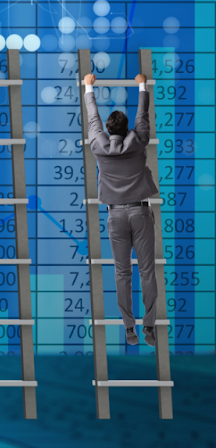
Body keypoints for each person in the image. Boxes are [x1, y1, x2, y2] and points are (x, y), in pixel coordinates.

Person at [84, 71, 160, 346]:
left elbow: (92, 116)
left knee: (122, 272)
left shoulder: (98, 144)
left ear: (107, 128)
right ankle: (149, 327)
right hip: (140, 213)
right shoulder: (138, 139)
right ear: (128, 128)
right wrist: (142, 86)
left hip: (115, 216)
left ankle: (130, 329)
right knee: (147, 271)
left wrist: (88, 87)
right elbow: (144, 114)